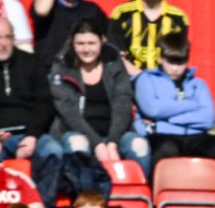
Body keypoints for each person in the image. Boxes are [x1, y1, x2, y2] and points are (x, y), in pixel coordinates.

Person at [0, 16, 65, 204]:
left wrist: (32, 136)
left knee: (53, 150)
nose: (2, 43)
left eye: (7, 37)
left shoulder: (32, 63)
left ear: (14, 38)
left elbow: (44, 103)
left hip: (30, 133)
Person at [49, 18, 150, 175]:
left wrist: (112, 142)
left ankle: (136, 195)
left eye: (91, 43)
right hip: (76, 131)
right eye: (80, 44)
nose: (86, 49)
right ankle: (84, 197)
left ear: (102, 41)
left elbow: (122, 104)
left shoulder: (114, 64)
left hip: (115, 133)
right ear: (72, 43)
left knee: (139, 145)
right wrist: (97, 144)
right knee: (78, 144)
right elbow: (69, 113)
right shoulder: (62, 67)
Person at [132, 31, 215, 179]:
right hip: (162, 136)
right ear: (160, 58)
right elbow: (153, 110)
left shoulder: (198, 84)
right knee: (167, 148)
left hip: (194, 136)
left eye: (180, 63)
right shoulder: (146, 79)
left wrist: (165, 120)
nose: (175, 68)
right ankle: (155, 198)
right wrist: (191, 104)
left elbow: (208, 118)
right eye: (170, 62)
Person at [109, 0, 189, 73]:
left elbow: (178, 56)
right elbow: (117, 56)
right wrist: (141, 78)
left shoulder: (178, 18)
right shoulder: (122, 14)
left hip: (164, 80)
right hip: (129, 79)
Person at [30, 0, 108, 71]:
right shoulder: (47, 6)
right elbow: (41, 11)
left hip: (81, 70)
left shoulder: (92, 9)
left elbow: (104, 39)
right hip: (49, 69)